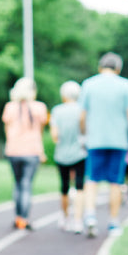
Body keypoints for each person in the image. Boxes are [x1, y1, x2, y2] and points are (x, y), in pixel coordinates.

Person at [78, 52, 128, 237]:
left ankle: (90, 216)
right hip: (118, 141)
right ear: (118, 68)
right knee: (115, 182)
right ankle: (113, 223)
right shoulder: (126, 85)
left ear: (100, 67)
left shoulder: (88, 84)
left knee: (91, 179)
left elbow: (82, 115)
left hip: (95, 140)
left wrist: (84, 135)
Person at [1, 77, 49, 230]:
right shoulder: (40, 107)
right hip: (32, 151)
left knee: (17, 184)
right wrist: (41, 151)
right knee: (26, 184)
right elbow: (40, 131)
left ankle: (18, 217)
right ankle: (24, 218)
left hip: (13, 150)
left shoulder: (10, 107)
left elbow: (7, 129)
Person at [49, 80, 87, 234]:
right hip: (80, 153)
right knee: (79, 187)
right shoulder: (82, 110)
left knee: (64, 187)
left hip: (62, 154)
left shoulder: (57, 111)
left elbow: (54, 135)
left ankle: (65, 218)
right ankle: (78, 221)